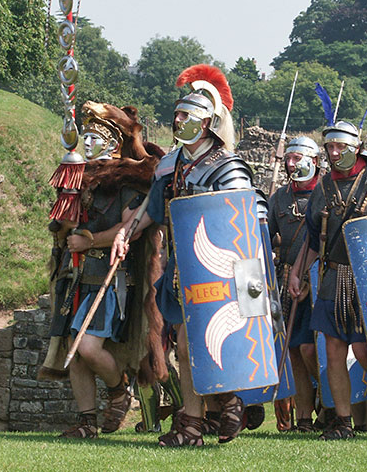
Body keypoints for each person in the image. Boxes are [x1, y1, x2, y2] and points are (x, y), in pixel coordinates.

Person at [111, 64, 258, 447]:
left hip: (221, 271)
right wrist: (126, 233)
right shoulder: (171, 164)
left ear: (207, 121)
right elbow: (150, 209)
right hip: (181, 267)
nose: (178, 120)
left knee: (200, 343)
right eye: (177, 114)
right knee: (185, 344)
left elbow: (248, 221)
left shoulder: (228, 166)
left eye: (186, 115)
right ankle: (198, 419)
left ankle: (224, 401)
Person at [44, 103, 164, 439]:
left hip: (109, 277)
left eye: (96, 137)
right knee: (75, 352)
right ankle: (86, 422)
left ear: (112, 144)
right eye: (87, 137)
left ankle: (118, 389)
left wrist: (90, 240)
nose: (88, 142)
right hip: (76, 275)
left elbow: (133, 227)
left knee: (87, 347)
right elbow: (66, 226)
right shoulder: (78, 178)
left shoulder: (126, 181)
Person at [288, 121, 367, 440]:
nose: (335, 153)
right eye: (330, 148)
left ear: (357, 147)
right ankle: (342, 422)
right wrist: (298, 273)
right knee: (334, 349)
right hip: (333, 275)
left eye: (341, 147)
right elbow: (313, 240)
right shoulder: (323, 187)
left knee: (365, 350)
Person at [268, 136, 322, 432]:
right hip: (289, 280)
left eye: (297, 158)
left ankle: (328, 402)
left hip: (323, 278)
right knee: (294, 350)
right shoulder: (280, 198)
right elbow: (265, 238)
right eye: (288, 159)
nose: (290, 164)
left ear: (314, 161)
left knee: (314, 350)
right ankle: (303, 416)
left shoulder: (327, 195)